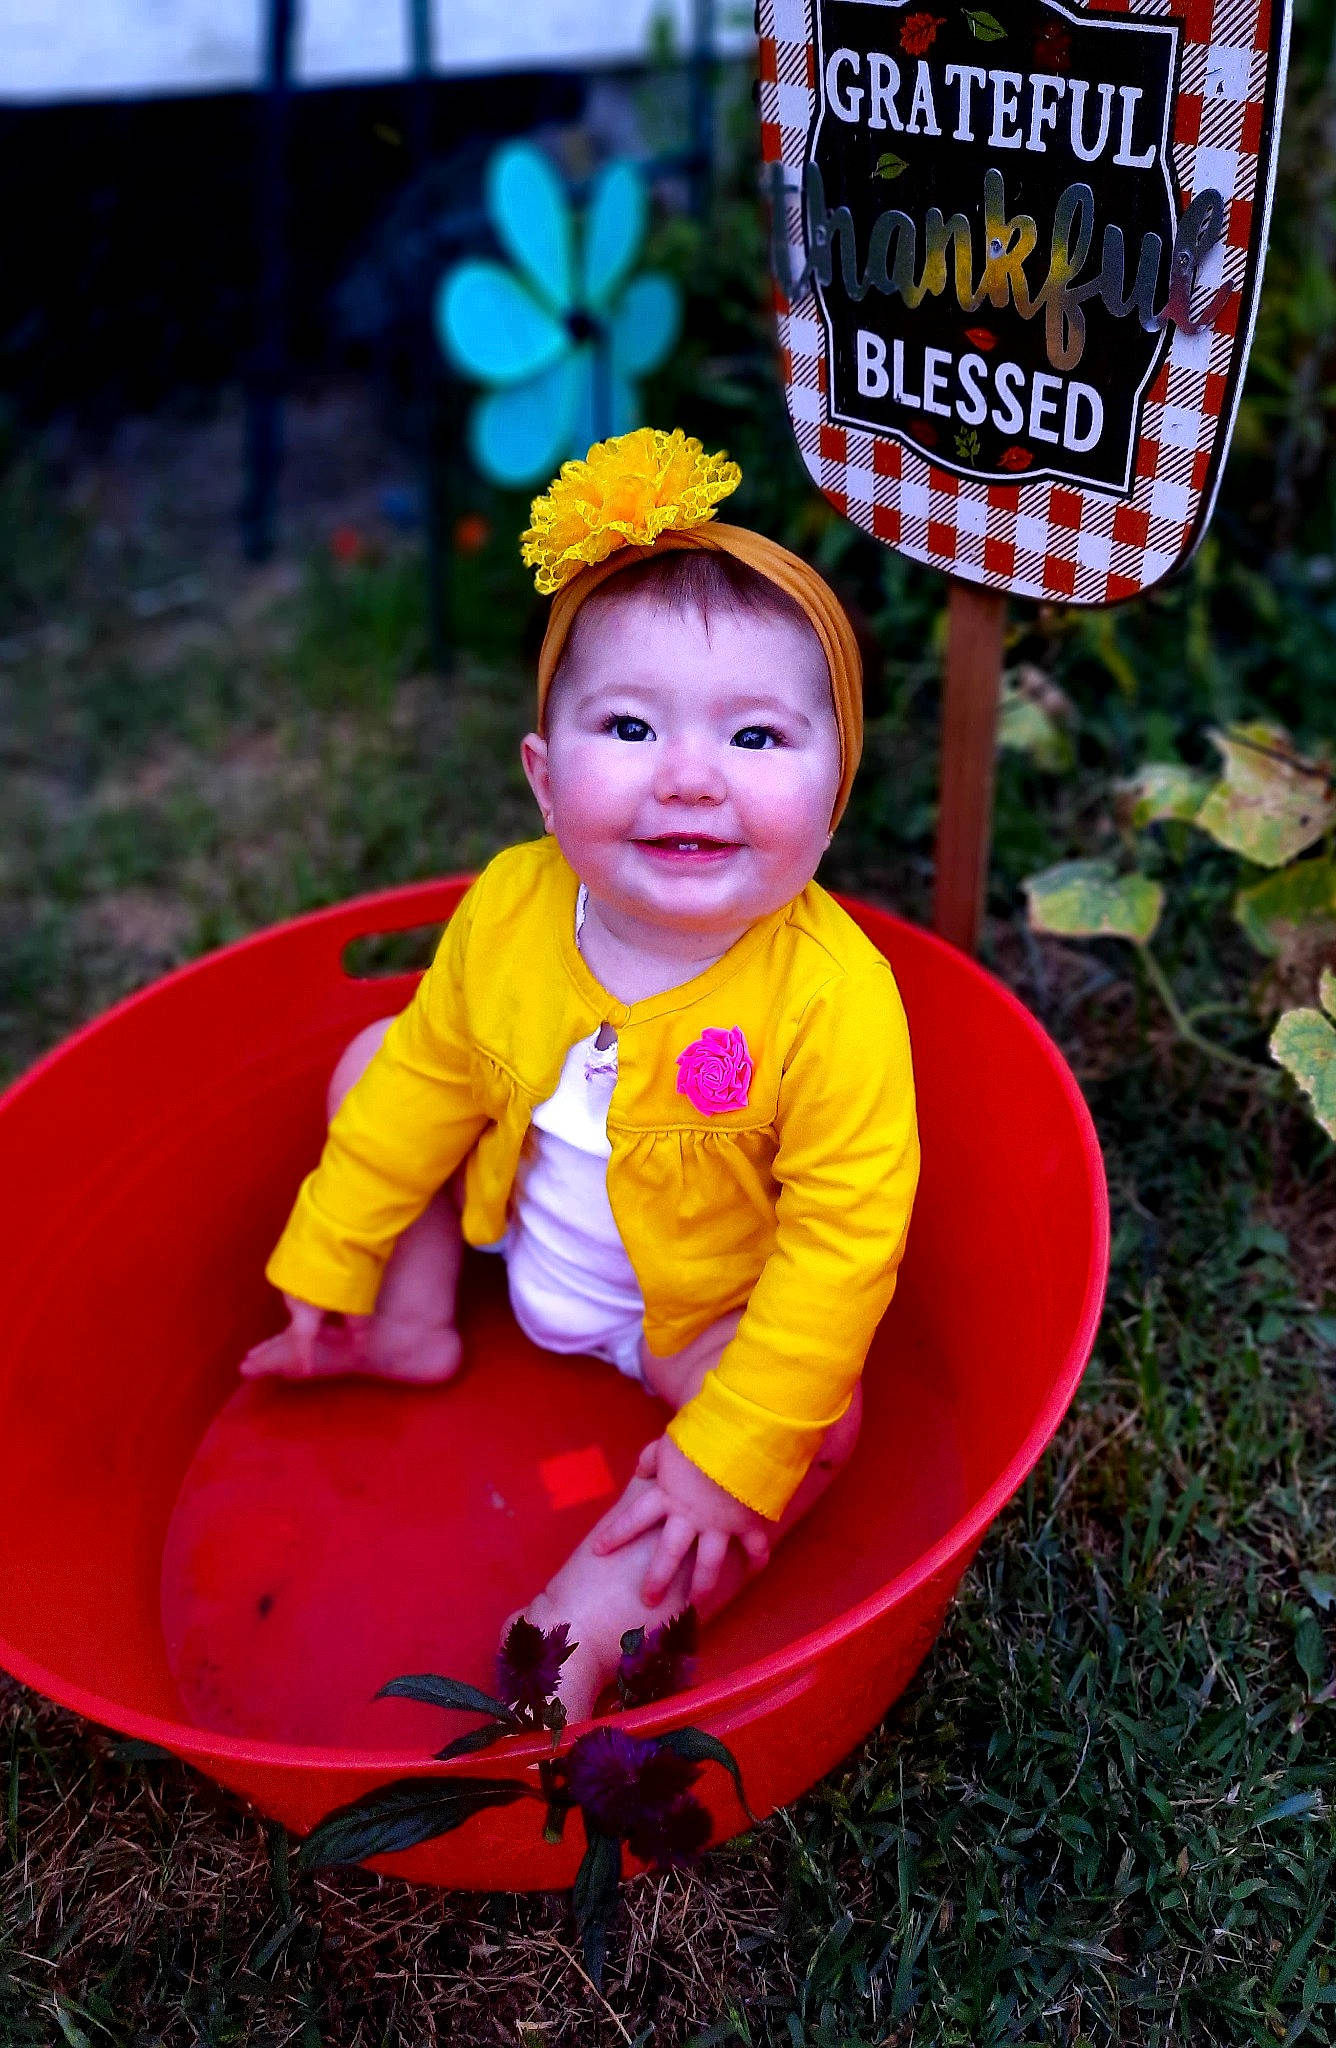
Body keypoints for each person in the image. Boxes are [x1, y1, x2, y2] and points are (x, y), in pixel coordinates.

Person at [242, 428, 920, 1719]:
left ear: (837, 797)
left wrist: (737, 1447)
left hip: (693, 1316)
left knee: (818, 1411)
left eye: (759, 740)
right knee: (376, 1055)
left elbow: (845, 1242)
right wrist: (332, 1251)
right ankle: (405, 1320)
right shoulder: (511, 906)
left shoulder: (833, 1000)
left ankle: (598, 1620)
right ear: (547, 783)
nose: (689, 777)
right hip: (522, 1238)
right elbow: (423, 1091)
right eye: (629, 724)